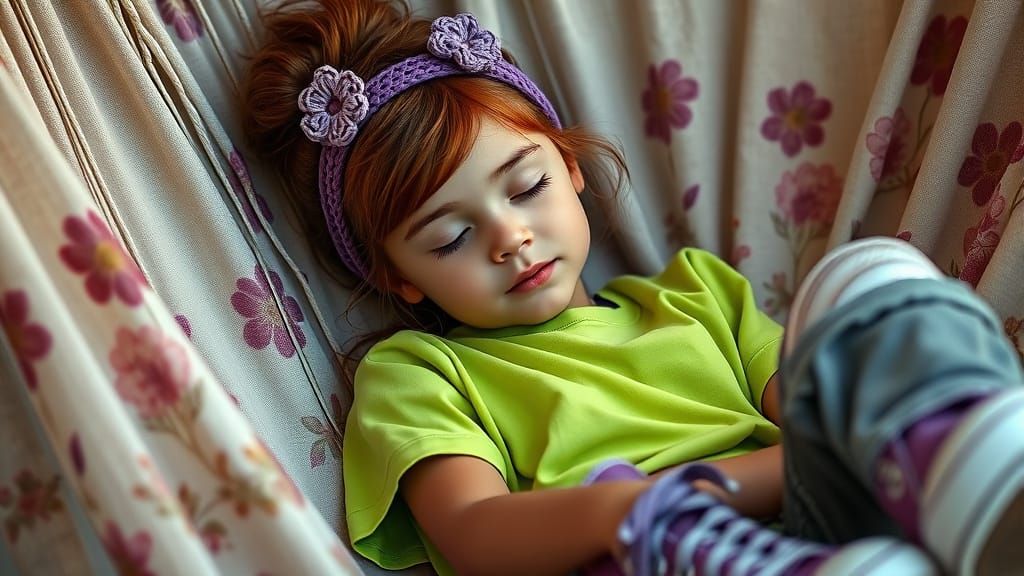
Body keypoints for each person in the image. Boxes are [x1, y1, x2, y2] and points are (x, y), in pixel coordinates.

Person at [240, 1, 1024, 574]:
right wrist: (645, 506)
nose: (511, 238)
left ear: (571, 167)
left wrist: (838, 452)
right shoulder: (420, 374)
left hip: (830, 517)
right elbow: (476, 535)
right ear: (397, 279)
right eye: (450, 237)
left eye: (525, 187)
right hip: (645, 555)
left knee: (863, 276)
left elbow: (820, 410)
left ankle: (965, 469)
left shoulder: (697, 293)